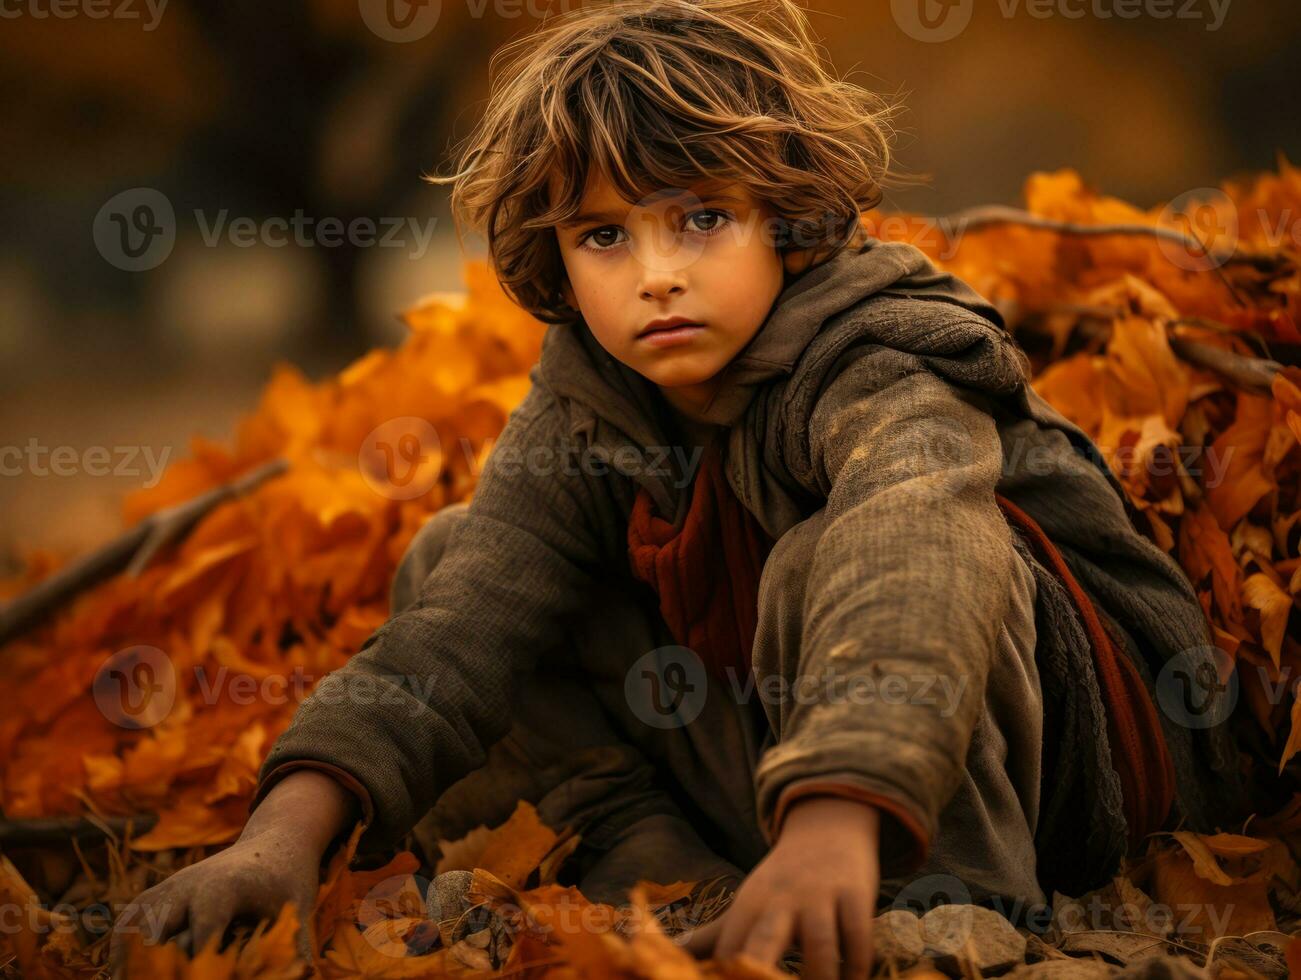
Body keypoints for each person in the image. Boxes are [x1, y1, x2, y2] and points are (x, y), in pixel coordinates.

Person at [109, 1, 1245, 977]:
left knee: (836, 546)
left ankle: (939, 903)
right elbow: (456, 636)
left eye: (700, 217)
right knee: (452, 557)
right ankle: (672, 873)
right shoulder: (590, 401)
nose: (655, 273)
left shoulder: (882, 354)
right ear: (557, 261)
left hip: (1084, 745)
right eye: (604, 235)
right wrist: (279, 836)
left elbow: (914, 561)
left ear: (786, 215)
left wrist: (840, 805)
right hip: (815, 735)